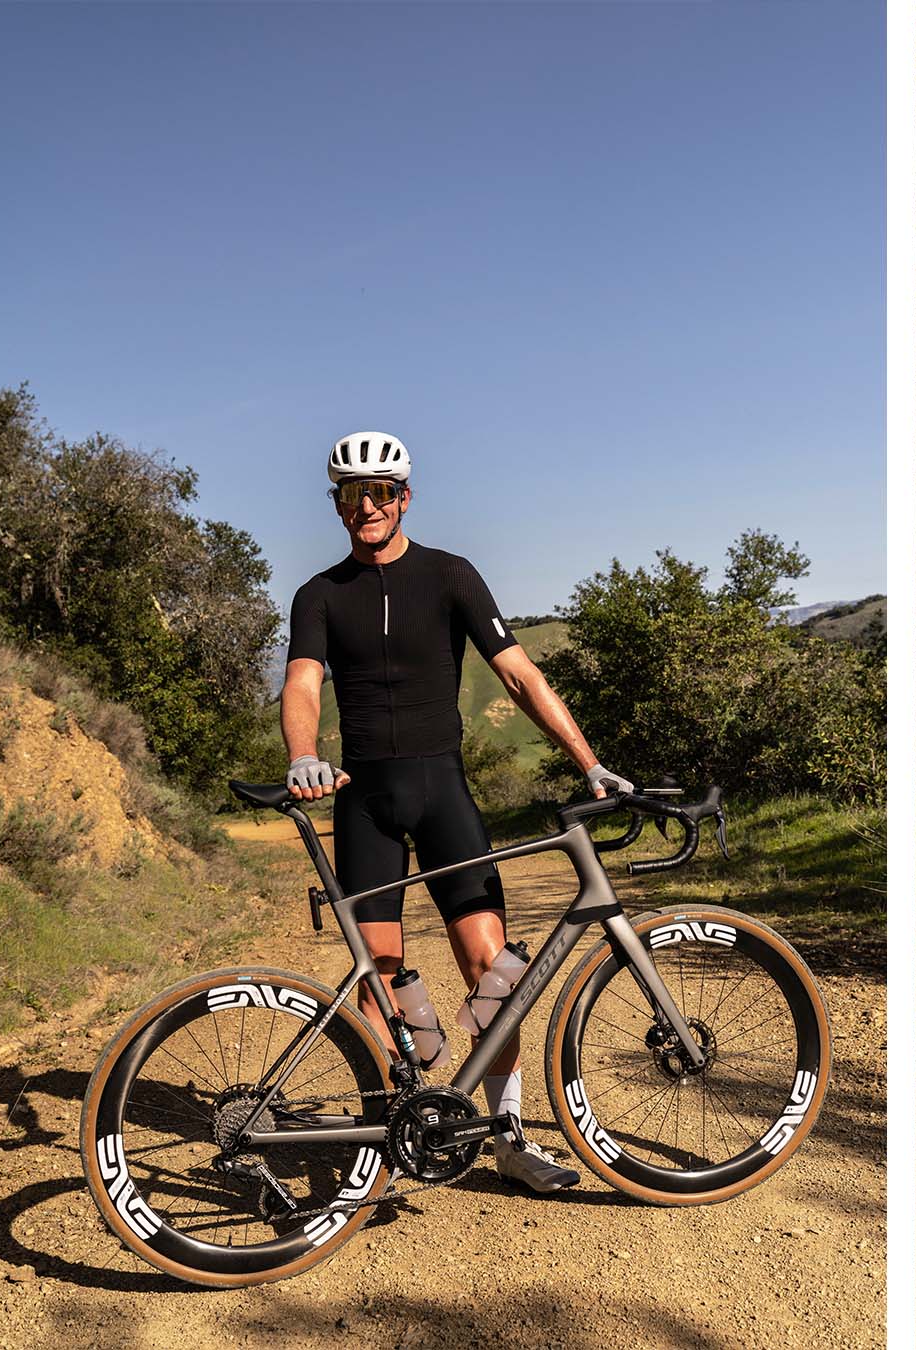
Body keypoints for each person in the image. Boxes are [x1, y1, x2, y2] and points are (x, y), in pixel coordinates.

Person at [283, 430, 634, 1190]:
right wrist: (302, 753)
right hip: (364, 800)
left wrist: (590, 762)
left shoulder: (451, 576)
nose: (367, 506)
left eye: (381, 492)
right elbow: (304, 682)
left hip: (442, 790)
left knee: (490, 967)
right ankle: (386, 1133)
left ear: (404, 498)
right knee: (379, 977)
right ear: (338, 505)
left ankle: (506, 1136)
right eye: (352, 494)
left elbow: (519, 676)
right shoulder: (318, 594)